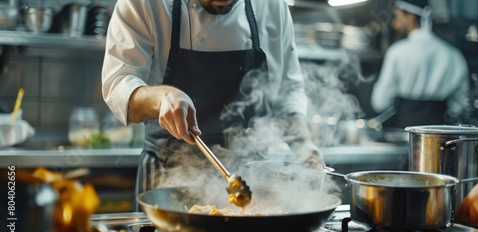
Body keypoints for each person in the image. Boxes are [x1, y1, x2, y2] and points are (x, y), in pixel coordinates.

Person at [101, 0, 324, 201]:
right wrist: (161, 98)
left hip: (254, 178)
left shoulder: (272, 5)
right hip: (167, 177)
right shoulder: (145, 4)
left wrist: (303, 143)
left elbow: (287, 90)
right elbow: (118, 86)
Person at [370, 0, 470, 129]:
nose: (394, 24)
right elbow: (462, 106)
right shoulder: (453, 54)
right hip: (441, 136)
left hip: (404, 133)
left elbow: (380, 103)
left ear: (410, 17)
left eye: (397, 17)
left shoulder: (397, 51)